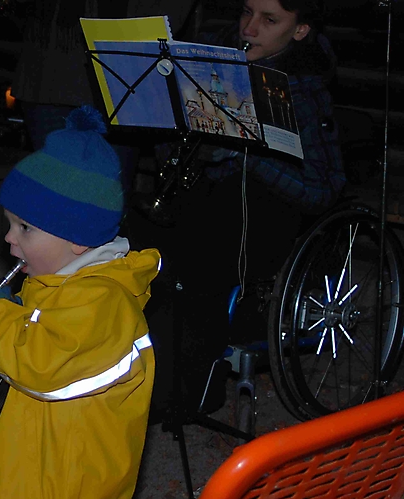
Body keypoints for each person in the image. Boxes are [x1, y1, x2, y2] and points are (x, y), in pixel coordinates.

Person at [0, 106, 161, 499]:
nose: (8, 237)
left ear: (79, 240)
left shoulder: (103, 301)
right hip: (26, 471)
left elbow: (43, 366)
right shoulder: (55, 284)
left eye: (25, 228)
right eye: (9, 224)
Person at [133, 0, 346, 414]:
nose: (249, 28)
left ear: (300, 30)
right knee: (132, 242)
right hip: (209, 203)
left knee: (190, 263)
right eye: (247, 12)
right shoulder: (215, 62)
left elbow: (323, 190)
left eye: (269, 20)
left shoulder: (303, 88)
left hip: (265, 221)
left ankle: (181, 391)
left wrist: (248, 155)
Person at [10, 0, 198, 196]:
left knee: (106, 201)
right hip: (49, 67)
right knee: (49, 198)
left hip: (120, 67)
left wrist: (141, 31)